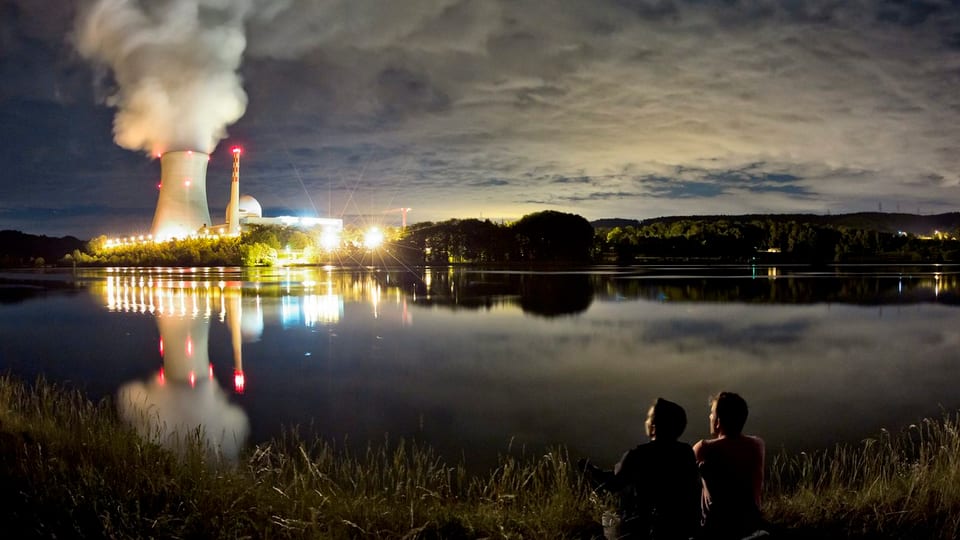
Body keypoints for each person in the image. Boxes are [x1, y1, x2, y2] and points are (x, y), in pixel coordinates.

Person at [580, 398, 701, 540]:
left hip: (644, 530)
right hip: (679, 530)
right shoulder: (686, 453)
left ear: (654, 427)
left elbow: (613, 483)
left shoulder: (638, 455)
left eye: (649, 418)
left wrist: (590, 470)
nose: (646, 422)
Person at [693, 392, 766, 540]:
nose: (709, 417)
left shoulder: (704, 448)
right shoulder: (757, 444)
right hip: (750, 521)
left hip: (715, 525)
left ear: (718, 421)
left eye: (712, 413)